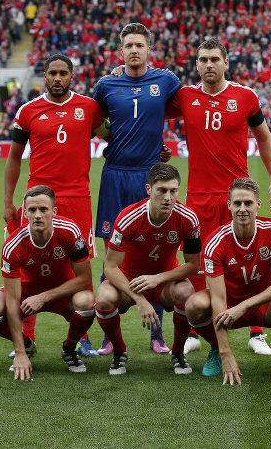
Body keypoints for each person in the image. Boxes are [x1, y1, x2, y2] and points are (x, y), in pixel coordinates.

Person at [167, 37, 271, 356]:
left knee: (249, 260)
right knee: (201, 264)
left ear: (225, 62)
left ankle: (257, 331)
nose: (208, 65)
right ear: (196, 65)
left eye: (214, 59)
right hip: (199, 197)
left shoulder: (245, 97)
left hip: (238, 197)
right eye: (202, 60)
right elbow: (148, 114)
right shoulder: (184, 96)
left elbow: (264, 138)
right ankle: (196, 327)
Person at [3, 53, 105, 358]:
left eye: (63, 73)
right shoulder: (28, 111)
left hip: (77, 200)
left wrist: (154, 148)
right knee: (28, 266)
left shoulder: (90, 108)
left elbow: (114, 138)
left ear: (72, 76)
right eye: (52, 73)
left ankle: (81, 337)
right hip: (36, 200)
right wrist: (9, 201)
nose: (57, 78)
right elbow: (13, 158)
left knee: (79, 265)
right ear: (43, 77)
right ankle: (26, 336)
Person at [93, 23, 181, 355]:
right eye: (128, 45)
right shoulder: (106, 84)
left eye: (139, 45)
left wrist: (160, 145)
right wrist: (111, 140)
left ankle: (157, 335)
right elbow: (94, 119)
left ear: (148, 50)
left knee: (154, 253)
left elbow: (180, 106)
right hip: (115, 175)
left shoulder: (165, 80)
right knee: (110, 257)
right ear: (120, 52)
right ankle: (108, 334)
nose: (134, 50)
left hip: (150, 175)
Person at [185, 178, 271, 384]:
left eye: (248, 203)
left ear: (258, 204)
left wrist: (245, 306)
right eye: (237, 203)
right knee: (194, 305)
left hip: (266, 305)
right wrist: (226, 354)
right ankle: (215, 349)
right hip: (229, 306)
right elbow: (218, 300)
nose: (242, 209)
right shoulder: (214, 242)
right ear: (229, 205)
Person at [94, 163, 201, 375]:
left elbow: (193, 265)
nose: (168, 197)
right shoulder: (128, 218)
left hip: (163, 282)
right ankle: (119, 352)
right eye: (162, 190)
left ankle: (178, 353)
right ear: (149, 189)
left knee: (186, 293)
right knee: (103, 297)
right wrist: (140, 299)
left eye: (173, 190)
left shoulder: (188, 218)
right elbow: (111, 266)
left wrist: (158, 278)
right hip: (129, 280)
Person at [0, 185, 96, 379]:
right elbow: (12, 299)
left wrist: (43, 297)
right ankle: (27, 346)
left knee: (87, 302)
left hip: (61, 293)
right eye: (32, 210)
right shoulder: (13, 246)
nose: (37, 215)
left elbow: (85, 278)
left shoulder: (70, 231)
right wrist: (19, 352)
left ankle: (69, 348)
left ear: (54, 211)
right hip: (25, 295)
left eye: (43, 209)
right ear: (24, 213)